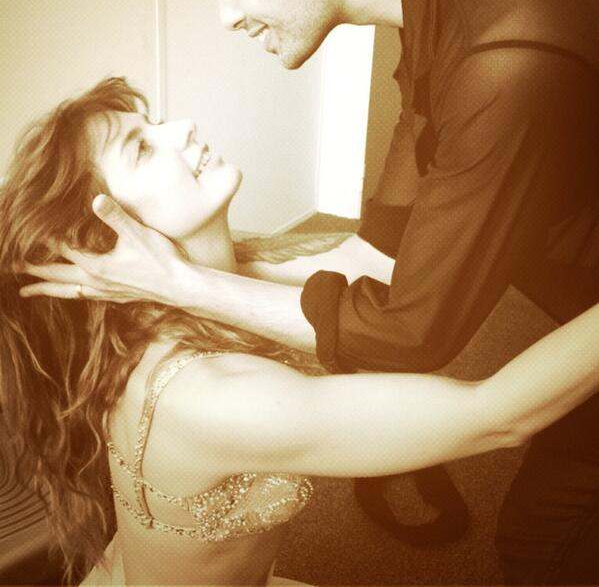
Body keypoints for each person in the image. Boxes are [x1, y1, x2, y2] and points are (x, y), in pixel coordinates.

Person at [24, 0, 599, 582]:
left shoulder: (504, 58)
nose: (225, 15)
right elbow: (377, 253)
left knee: (544, 539)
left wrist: (186, 281)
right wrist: (205, 272)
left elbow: (413, 334)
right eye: (143, 146)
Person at [4, 76, 599, 587]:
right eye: (141, 148)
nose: (183, 128)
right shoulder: (214, 397)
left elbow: (368, 263)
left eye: (155, 123)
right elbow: (499, 414)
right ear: (105, 240)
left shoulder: (227, 270)